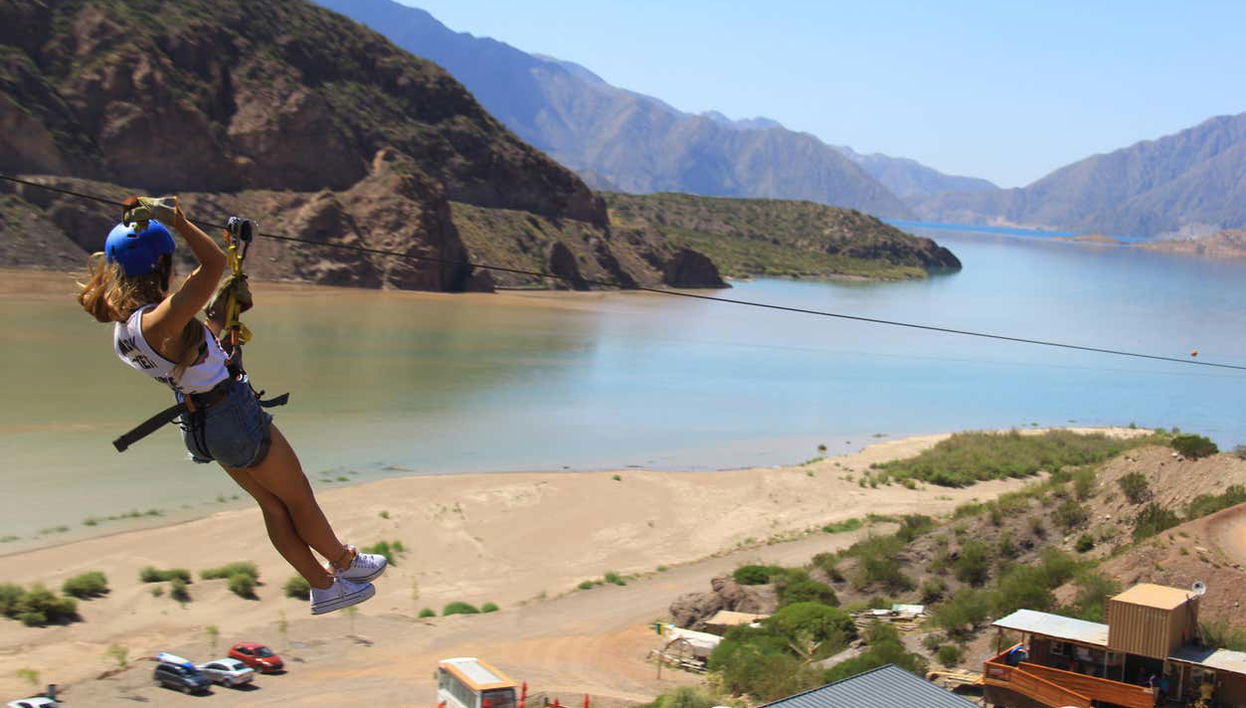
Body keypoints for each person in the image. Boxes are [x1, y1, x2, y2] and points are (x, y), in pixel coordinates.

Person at [78, 197, 385, 614]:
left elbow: (191, 351)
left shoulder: (127, 332)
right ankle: (347, 562)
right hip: (232, 415)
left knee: (274, 506)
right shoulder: (160, 318)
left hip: (204, 426)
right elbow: (213, 263)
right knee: (299, 499)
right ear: (162, 265)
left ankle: (324, 587)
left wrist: (221, 313)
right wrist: (179, 221)